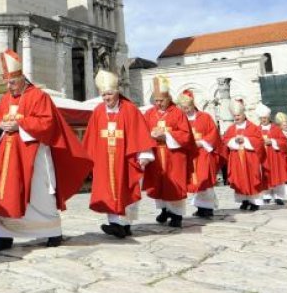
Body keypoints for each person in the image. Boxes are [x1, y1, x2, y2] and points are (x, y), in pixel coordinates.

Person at [0, 49, 91, 253]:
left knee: (39, 193)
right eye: (6, 83)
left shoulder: (39, 96)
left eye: (12, 82)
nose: (9, 87)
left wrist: (20, 124)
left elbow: (47, 123)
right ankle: (4, 236)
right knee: (6, 193)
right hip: (8, 155)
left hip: (34, 155)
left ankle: (52, 232)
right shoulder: (5, 99)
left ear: (22, 78)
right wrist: (0, 126)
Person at [84, 70, 154, 239]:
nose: (106, 98)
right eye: (103, 95)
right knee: (108, 191)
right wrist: (88, 159)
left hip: (126, 159)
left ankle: (124, 225)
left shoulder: (130, 110)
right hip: (104, 161)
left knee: (126, 188)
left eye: (109, 94)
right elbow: (91, 136)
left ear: (117, 92)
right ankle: (116, 224)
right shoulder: (98, 111)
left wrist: (144, 154)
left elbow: (140, 132)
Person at [142, 76, 197, 228]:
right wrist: (150, 135)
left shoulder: (178, 113)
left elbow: (186, 135)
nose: (158, 103)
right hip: (156, 155)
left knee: (174, 183)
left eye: (161, 100)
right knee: (158, 183)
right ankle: (164, 209)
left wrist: (166, 135)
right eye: (156, 100)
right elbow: (141, 131)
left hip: (174, 155)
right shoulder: (149, 114)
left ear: (169, 98)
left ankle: (177, 215)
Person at [179, 90, 222, 219]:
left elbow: (213, 133)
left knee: (204, 180)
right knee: (194, 182)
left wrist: (202, 142)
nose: (186, 110)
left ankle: (208, 208)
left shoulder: (205, 117)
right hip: (189, 155)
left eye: (188, 107)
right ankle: (200, 207)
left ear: (193, 105)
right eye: (184, 108)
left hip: (203, 153)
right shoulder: (181, 119)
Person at [221, 101, 265, 211]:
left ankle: (254, 202)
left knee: (252, 178)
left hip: (250, 158)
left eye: (238, 115)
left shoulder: (253, 127)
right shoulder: (231, 129)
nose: (236, 117)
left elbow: (259, 142)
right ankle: (244, 200)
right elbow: (225, 141)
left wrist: (245, 140)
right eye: (235, 116)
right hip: (236, 158)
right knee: (239, 179)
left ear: (244, 114)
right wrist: (233, 141)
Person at [256, 104, 287, 205]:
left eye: (265, 118)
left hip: (275, 156)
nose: (263, 120)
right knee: (265, 176)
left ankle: (279, 197)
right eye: (261, 118)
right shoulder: (256, 129)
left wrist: (273, 142)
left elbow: (284, 141)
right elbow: (254, 141)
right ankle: (266, 195)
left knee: (277, 175)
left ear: (268, 117)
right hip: (263, 157)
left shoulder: (276, 129)